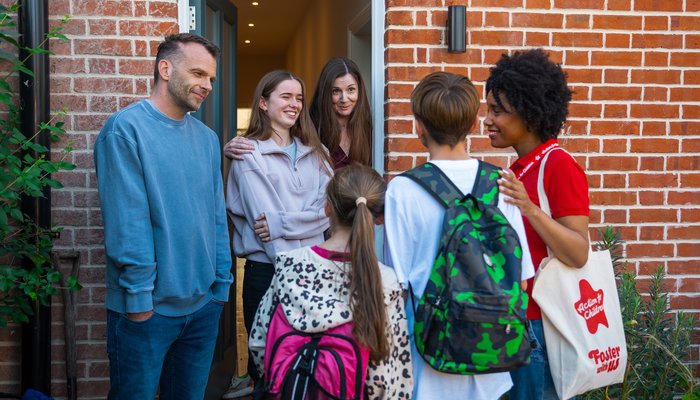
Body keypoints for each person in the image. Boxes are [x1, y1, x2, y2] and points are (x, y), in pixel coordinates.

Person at [94, 33, 232, 399]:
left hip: (203, 308)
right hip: (147, 314)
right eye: (199, 73)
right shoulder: (125, 130)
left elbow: (216, 216)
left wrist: (220, 286)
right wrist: (139, 302)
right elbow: (128, 224)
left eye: (212, 79)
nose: (207, 85)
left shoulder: (206, 139)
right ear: (165, 68)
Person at [383, 71, 535, 400]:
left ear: (419, 126)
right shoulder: (501, 181)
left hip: (431, 354)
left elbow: (395, 285)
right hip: (493, 357)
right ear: (472, 123)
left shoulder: (402, 189)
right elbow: (521, 279)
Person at [248, 163, 413, 399]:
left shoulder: (289, 265)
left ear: (327, 208)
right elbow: (390, 379)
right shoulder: (383, 282)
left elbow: (259, 344)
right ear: (377, 217)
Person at [486, 49, 590, 400]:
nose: (488, 120)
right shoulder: (519, 169)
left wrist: (529, 209)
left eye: (498, 110)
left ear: (529, 114)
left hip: (543, 327)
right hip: (518, 322)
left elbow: (578, 251)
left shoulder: (558, 164)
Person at [223, 70, 333, 398]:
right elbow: (262, 216)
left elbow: (327, 212)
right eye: (285, 96)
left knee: (307, 363)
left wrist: (281, 223)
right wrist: (303, 226)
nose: (294, 104)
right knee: (267, 368)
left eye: (299, 97)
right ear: (263, 103)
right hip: (267, 272)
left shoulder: (319, 153)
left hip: (313, 271)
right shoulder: (247, 154)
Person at [224, 57, 372, 169]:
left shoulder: (369, 128)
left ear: (359, 91)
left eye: (351, 90)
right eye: (336, 91)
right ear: (326, 93)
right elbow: (278, 150)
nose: (344, 98)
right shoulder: (308, 126)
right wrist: (230, 148)